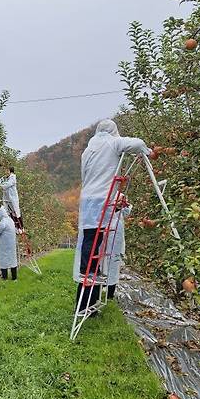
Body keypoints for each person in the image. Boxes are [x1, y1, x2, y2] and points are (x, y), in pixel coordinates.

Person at [72, 119, 150, 315]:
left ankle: (88, 279)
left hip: (88, 198)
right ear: (113, 131)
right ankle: (88, 272)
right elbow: (138, 143)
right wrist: (147, 152)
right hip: (102, 199)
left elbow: (84, 175)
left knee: (91, 237)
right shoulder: (113, 143)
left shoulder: (88, 150)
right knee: (95, 242)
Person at [103, 194, 132, 299]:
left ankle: (110, 293)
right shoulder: (106, 194)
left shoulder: (120, 195)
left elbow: (127, 212)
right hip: (105, 233)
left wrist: (122, 205)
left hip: (116, 236)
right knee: (102, 263)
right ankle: (101, 287)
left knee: (114, 264)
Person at [0, 206, 18, 281]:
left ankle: (5, 277)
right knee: (12, 260)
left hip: (3, 245)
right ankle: (14, 278)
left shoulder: (3, 223)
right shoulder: (10, 220)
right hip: (11, 244)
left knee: (3, 261)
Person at [0, 167, 23, 231]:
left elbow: (7, 185)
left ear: (11, 171)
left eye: (7, 171)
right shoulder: (6, 177)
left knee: (16, 212)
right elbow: (0, 180)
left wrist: (0, 185)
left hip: (12, 198)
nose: (6, 172)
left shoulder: (12, 177)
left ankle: (20, 228)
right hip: (7, 199)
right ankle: (15, 227)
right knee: (10, 213)